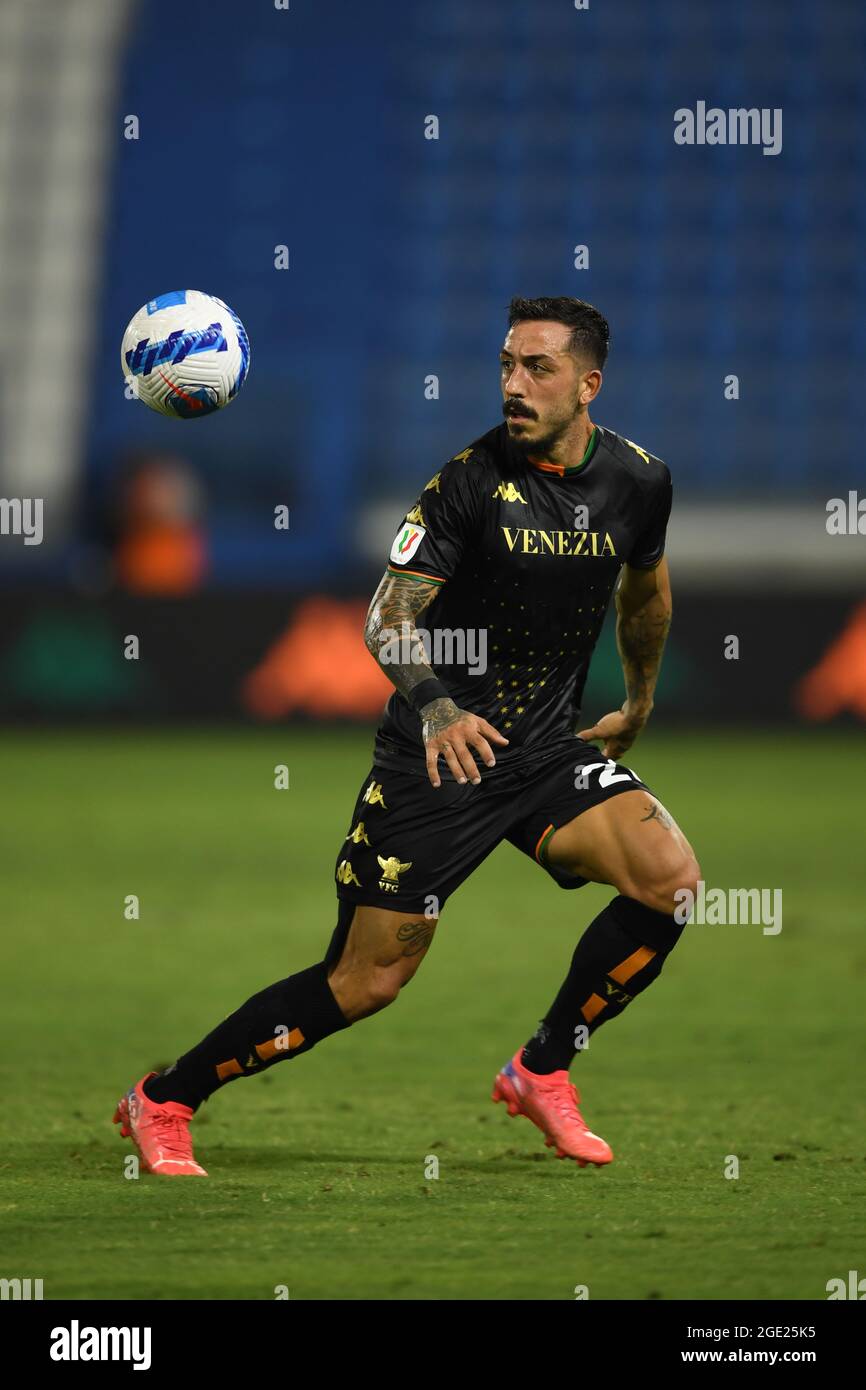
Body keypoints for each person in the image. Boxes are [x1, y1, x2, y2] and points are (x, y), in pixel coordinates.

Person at [114, 296, 700, 1176]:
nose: (513, 383)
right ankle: (164, 1098)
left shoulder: (640, 481)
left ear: (589, 384)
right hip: (440, 759)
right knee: (365, 982)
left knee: (671, 882)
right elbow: (387, 619)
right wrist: (438, 707)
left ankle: (542, 1068)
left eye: (536, 368)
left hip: (542, 752)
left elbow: (644, 593)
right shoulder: (466, 483)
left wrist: (642, 699)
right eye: (506, 364)